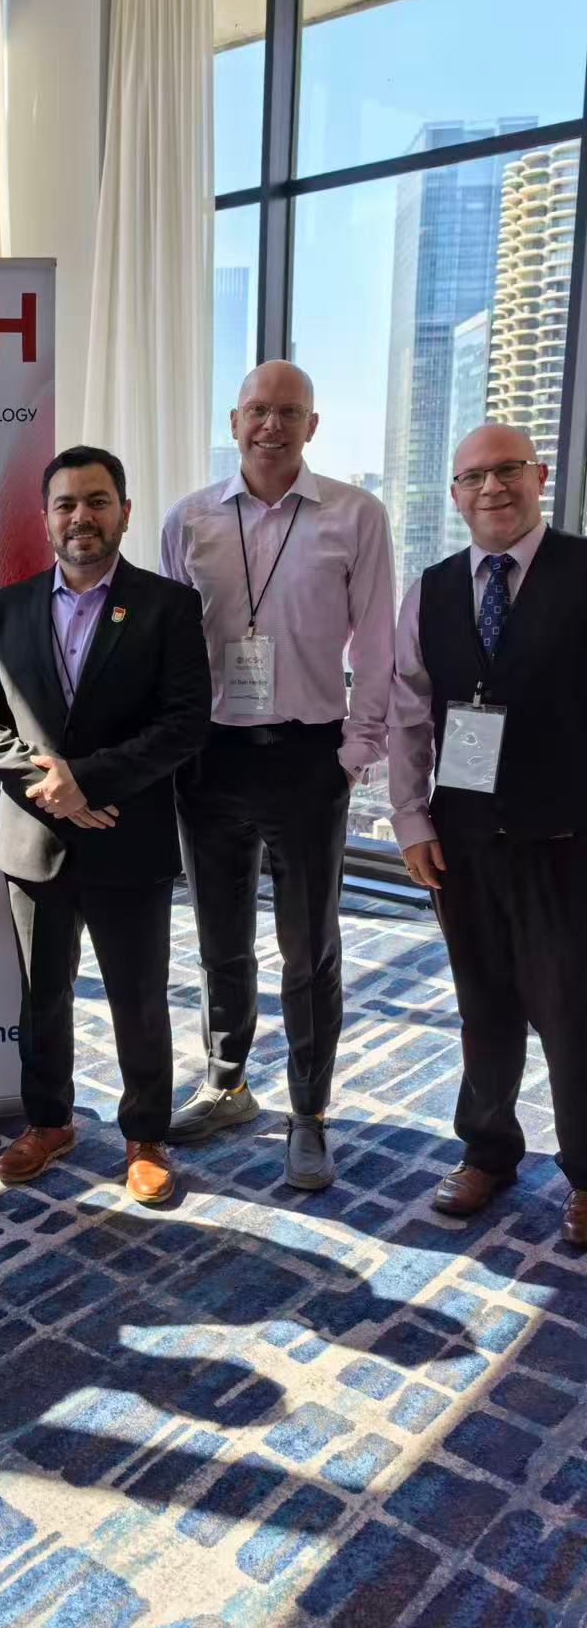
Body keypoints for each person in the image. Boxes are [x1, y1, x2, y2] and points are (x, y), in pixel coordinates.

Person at [0, 445, 210, 1203]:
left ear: (125, 513)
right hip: (35, 841)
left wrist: (88, 781)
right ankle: (49, 1121)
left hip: (128, 836)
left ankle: (145, 1135)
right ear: (45, 519)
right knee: (42, 996)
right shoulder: (5, 609)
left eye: (97, 502)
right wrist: (53, 788)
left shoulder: (169, 607)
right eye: (66, 504)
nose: (81, 517)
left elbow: (185, 723)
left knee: (138, 995)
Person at [160, 362, 394, 1190]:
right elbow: (167, 649)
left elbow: (377, 643)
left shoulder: (356, 516)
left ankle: (309, 1111)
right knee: (219, 939)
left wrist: (355, 752)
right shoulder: (189, 519)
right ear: (234, 421)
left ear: (311, 426)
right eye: (257, 410)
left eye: (289, 412)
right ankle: (227, 1083)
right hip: (211, 758)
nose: (271, 425)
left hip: (307, 757)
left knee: (309, 948)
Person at [390, 423, 586, 1248]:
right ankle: (487, 1150)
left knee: (573, 1011)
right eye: (473, 477)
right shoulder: (430, 588)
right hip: (465, 840)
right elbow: (407, 713)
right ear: (455, 494)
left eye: (507, 470)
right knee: (483, 1004)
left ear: (539, 476)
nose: (492, 488)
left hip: (566, 838)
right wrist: (410, 819)